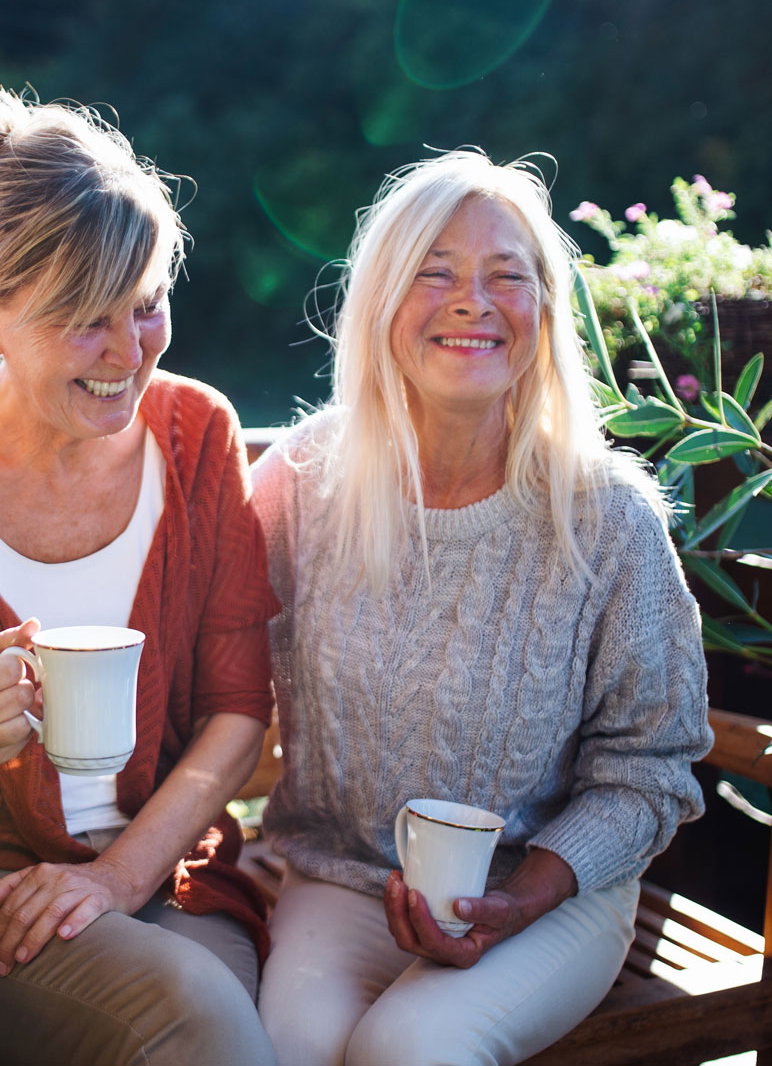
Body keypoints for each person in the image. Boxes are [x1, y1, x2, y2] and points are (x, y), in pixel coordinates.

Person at [0, 89, 279, 1065]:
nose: (131, 355)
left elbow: (237, 712)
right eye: (88, 320)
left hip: (167, 875)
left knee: (222, 1023)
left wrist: (118, 877)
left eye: (149, 303)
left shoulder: (199, 432)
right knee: (198, 1023)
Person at [250, 150, 714, 1066]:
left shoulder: (608, 520)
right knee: (282, 1049)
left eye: (509, 276)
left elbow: (653, 766)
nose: (474, 300)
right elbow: (206, 673)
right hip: (341, 876)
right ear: (381, 300)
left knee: (410, 1049)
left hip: (554, 893)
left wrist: (524, 898)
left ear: (545, 314)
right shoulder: (302, 482)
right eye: (435, 272)